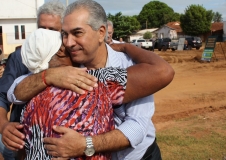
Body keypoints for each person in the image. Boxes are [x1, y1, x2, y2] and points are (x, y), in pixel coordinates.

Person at [8, 0, 175, 159]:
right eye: (64, 35)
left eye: (77, 33)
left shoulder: (126, 67)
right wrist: (49, 75)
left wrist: (85, 144)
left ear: (101, 32)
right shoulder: (75, 73)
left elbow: (137, 127)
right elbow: (14, 92)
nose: (69, 43)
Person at [0, 1, 97, 160]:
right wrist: (4, 126)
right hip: (21, 142)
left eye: (52, 30)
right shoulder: (20, 56)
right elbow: (4, 95)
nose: (44, 34)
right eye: (41, 28)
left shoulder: (73, 56)